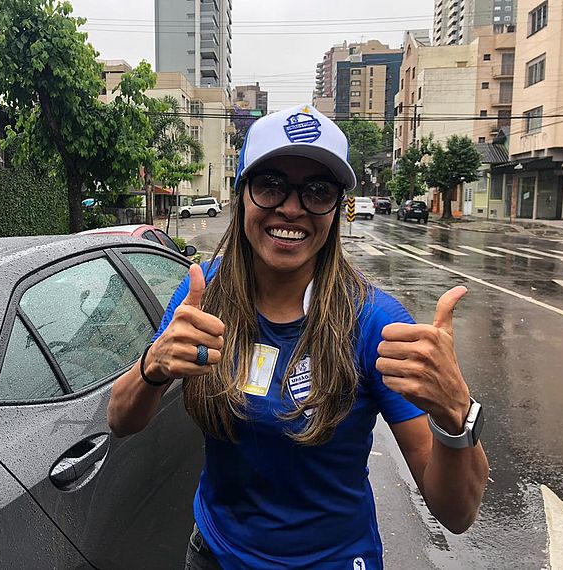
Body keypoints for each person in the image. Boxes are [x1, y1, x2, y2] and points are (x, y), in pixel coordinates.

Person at [108, 104, 489, 569]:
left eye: (317, 190)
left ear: (337, 208)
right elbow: (120, 419)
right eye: (271, 185)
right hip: (214, 555)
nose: (292, 208)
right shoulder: (203, 294)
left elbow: (456, 514)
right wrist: (152, 366)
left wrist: (455, 413)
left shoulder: (374, 321)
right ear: (242, 195)